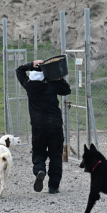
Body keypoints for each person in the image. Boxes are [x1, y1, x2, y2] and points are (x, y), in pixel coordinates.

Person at [16, 59, 71, 194]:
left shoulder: (29, 85)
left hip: (38, 125)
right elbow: (67, 90)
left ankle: (40, 169)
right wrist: (58, 77)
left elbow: (19, 70)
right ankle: (53, 186)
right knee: (55, 155)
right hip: (55, 124)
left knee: (38, 152)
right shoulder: (52, 84)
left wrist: (31, 64)